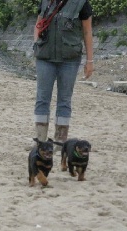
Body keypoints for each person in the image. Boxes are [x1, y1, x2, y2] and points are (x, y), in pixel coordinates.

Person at [32, 0, 93, 149]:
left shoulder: (81, 4)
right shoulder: (45, 2)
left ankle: (60, 142)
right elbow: (38, 24)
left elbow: (87, 31)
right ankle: (40, 141)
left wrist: (90, 60)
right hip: (45, 58)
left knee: (64, 100)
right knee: (42, 98)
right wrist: (36, 44)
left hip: (70, 60)